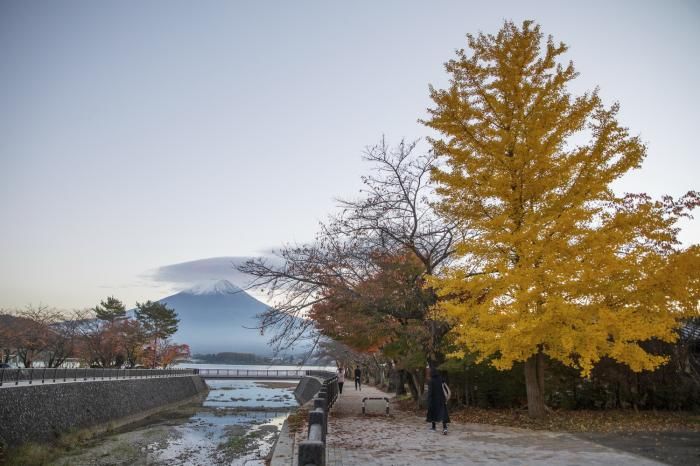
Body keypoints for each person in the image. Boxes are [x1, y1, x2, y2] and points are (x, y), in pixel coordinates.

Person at [426, 368, 450, 435]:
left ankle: (433, 427)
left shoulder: (431, 381)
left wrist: (428, 400)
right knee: (443, 413)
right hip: (442, 399)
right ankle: (445, 428)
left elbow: (430, 392)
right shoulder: (441, 379)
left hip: (434, 400)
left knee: (433, 413)